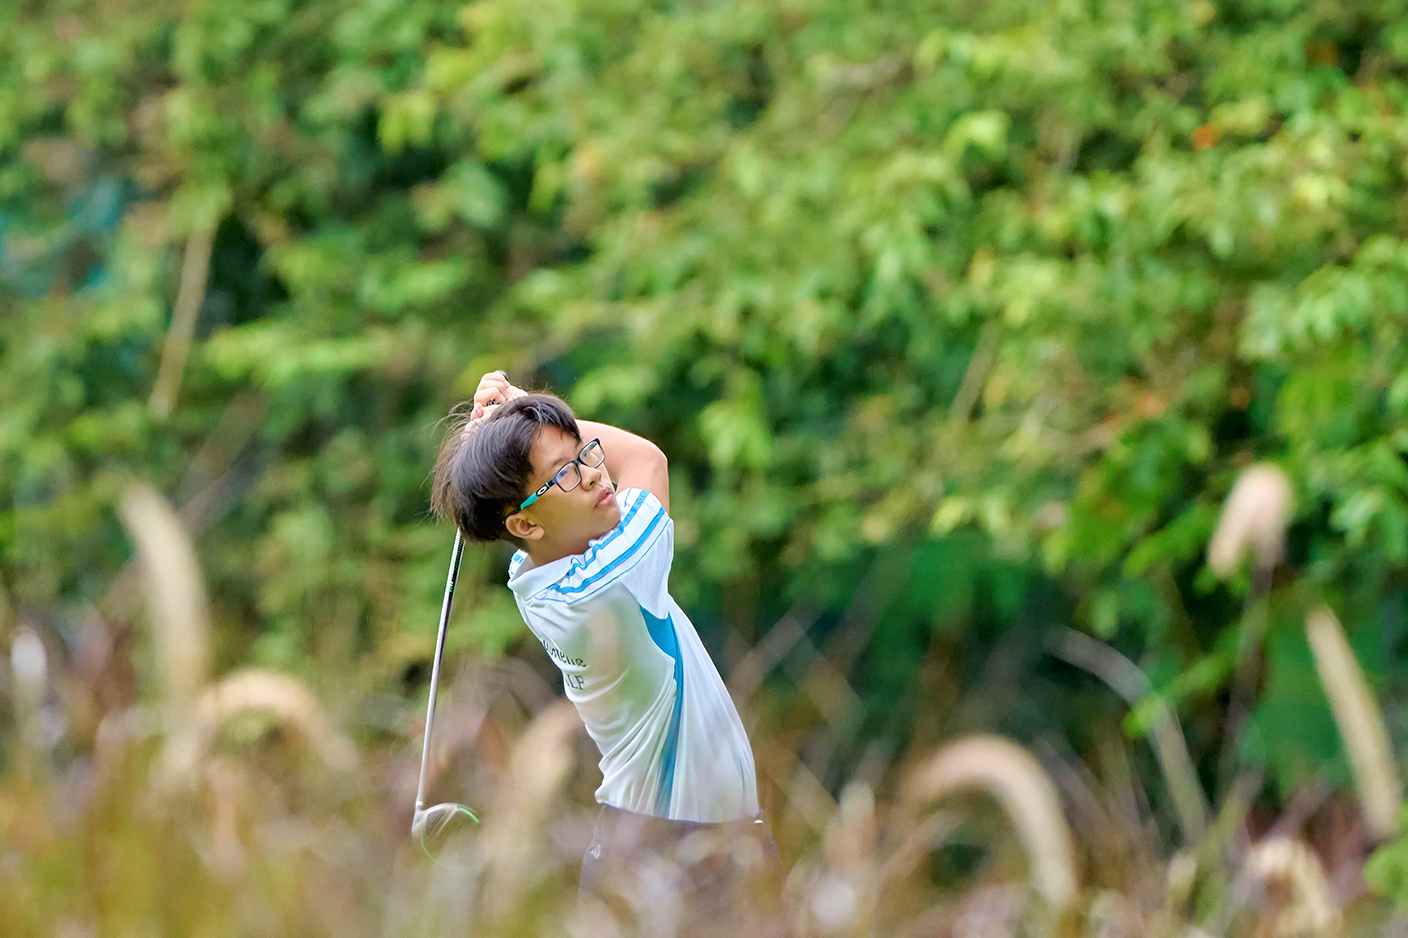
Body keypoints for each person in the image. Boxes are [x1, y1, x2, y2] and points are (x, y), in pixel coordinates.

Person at [430, 371, 786, 936]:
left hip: (664, 840)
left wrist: (528, 429)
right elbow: (646, 459)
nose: (595, 473)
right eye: (567, 474)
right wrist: (523, 409)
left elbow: (593, 476)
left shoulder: (535, 574)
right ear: (524, 522)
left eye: (585, 455)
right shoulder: (610, 580)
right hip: (674, 850)